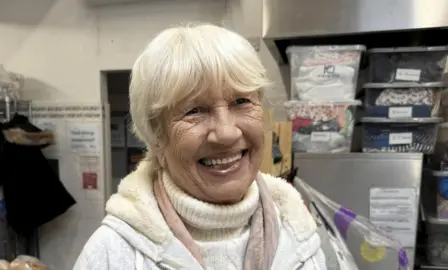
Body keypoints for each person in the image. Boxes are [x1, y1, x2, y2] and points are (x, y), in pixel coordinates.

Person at [74, 23, 337, 270]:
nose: (225, 133)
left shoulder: (302, 235)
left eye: (241, 101)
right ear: (156, 136)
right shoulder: (111, 254)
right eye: (194, 110)